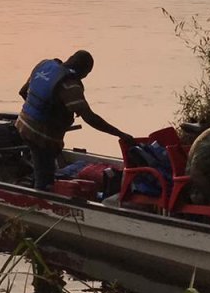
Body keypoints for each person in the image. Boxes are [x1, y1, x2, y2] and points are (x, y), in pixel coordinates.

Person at [16, 50, 135, 190]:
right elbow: (90, 118)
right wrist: (121, 134)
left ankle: (35, 182)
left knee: (41, 163)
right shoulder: (70, 85)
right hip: (41, 136)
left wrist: (43, 109)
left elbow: (23, 92)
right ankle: (40, 201)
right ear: (83, 72)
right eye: (86, 74)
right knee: (45, 178)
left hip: (22, 124)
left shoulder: (44, 65)